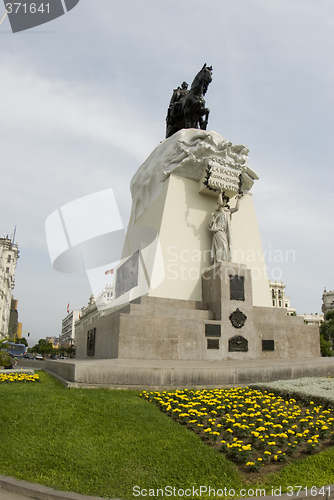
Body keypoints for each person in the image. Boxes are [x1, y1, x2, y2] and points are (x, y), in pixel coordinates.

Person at [208, 190, 243, 263]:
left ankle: (223, 260)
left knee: (225, 246)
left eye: (225, 202)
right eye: (223, 201)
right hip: (218, 230)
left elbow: (236, 209)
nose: (224, 203)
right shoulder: (218, 210)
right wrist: (220, 194)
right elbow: (220, 204)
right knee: (221, 245)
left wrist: (239, 199)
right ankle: (219, 260)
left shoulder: (228, 211)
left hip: (224, 231)